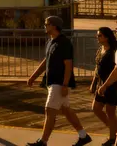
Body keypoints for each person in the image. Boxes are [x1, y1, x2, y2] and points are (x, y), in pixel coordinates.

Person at [26, 16, 91, 146]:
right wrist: (33, 76)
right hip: (51, 81)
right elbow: (46, 61)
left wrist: (65, 84)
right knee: (66, 110)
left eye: (46, 24)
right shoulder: (51, 41)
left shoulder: (64, 42)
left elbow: (68, 64)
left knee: (49, 110)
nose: (44, 26)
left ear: (54, 26)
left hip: (59, 82)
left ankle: (43, 141)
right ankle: (83, 136)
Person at [91, 27, 117, 146]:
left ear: (106, 37)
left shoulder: (114, 51)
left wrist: (106, 84)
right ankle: (115, 130)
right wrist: (93, 82)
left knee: (110, 112)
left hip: (112, 85)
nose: (97, 37)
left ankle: (112, 137)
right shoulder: (100, 49)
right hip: (100, 83)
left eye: (99, 35)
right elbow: (97, 68)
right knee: (96, 108)